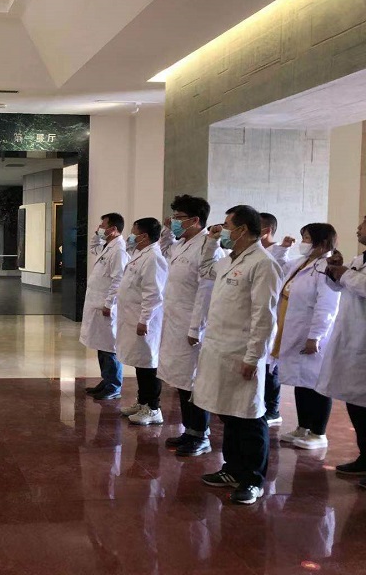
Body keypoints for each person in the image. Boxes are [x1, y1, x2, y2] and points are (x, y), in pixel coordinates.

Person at [194, 205, 281, 505]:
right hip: (219, 349)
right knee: (229, 412)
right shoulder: (229, 260)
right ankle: (232, 469)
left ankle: (253, 480)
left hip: (242, 353)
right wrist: (211, 241)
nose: (224, 230)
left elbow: (264, 316)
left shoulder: (263, 264)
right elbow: (204, 269)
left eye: (228, 225)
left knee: (249, 415)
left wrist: (254, 357)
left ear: (243, 229)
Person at [159, 195, 223, 456]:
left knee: (194, 381)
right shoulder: (183, 244)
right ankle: (190, 430)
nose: (174, 221)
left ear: (195, 220)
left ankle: (200, 434)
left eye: (178, 218)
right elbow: (165, 251)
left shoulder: (209, 248)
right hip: (175, 322)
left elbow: (206, 293)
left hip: (192, 326)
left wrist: (197, 328)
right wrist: (167, 230)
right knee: (182, 380)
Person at [273, 224, 340, 450]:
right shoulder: (302, 263)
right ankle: (303, 427)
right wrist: (282, 248)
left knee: (316, 384)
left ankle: (318, 433)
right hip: (293, 329)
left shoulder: (326, 268)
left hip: (311, 333)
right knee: (300, 382)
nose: (303, 242)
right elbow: (277, 267)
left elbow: (327, 306)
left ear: (322, 243)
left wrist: (315, 336)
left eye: (308, 238)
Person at [316, 215, 366, 486]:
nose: (358, 227)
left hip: (362, 343)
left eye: (364, 223)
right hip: (352, 341)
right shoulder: (359, 260)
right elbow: (340, 288)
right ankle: (364, 457)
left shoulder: (355, 268)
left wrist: (345, 274)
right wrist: (334, 271)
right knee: (356, 404)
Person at [117, 217, 169, 425]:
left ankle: (153, 408)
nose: (130, 236)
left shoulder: (154, 258)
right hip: (132, 317)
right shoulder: (140, 254)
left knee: (149, 363)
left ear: (144, 236)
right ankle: (142, 402)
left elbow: (153, 293)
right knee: (140, 362)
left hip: (145, 321)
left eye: (134, 232)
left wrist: (145, 319)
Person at [82, 213, 130, 400]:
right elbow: (93, 248)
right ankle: (106, 380)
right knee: (101, 345)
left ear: (113, 229)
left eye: (103, 226)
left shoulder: (119, 250)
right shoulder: (108, 246)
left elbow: (118, 279)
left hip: (107, 307)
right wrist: (96, 234)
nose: (100, 228)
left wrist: (110, 303)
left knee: (109, 347)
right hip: (98, 305)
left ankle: (113, 385)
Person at [260, 212, 294, 426]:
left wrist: (283, 249)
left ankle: (273, 409)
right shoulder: (255, 251)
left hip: (271, 316)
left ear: (266, 230)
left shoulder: (278, 253)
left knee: (270, 366)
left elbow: (280, 268)